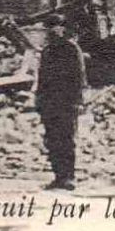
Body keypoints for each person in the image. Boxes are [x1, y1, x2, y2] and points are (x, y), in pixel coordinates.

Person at [34, 14, 86, 190]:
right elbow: (42, 78)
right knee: (52, 140)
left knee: (66, 139)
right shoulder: (48, 50)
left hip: (66, 102)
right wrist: (39, 100)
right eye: (49, 27)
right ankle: (58, 176)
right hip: (49, 103)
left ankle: (69, 177)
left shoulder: (71, 49)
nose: (51, 30)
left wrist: (77, 101)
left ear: (62, 28)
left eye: (55, 27)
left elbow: (79, 77)